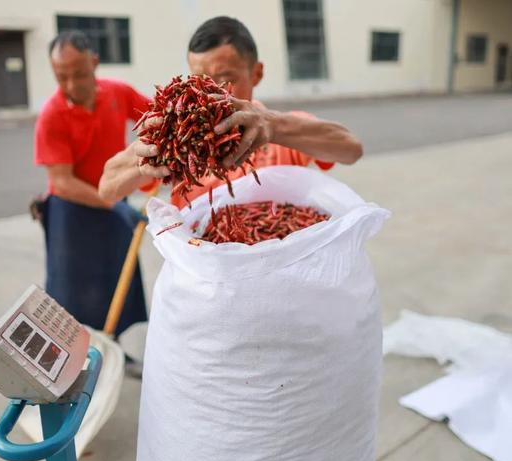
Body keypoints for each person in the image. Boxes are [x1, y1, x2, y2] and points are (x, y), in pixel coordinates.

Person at [98, 16, 363, 207]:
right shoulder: (182, 139)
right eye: (201, 80)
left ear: (256, 73)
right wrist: (145, 157)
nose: (213, 94)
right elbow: (107, 189)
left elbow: (351, 149)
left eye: (226, 79)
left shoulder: (278, 129)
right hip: (207, 270)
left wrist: (274, 126)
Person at [33, 30, 150, 336]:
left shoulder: (117, 93)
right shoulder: (52, 115)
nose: (72, 86)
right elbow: (62, 182)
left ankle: (116, 349)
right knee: (72, 294)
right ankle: (74, 362)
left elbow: (156, 115)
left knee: (117, 283)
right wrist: (113, 205)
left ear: (94, 63)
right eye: (62, 77)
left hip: (113, 201)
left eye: (80, 75)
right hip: (71, 212)